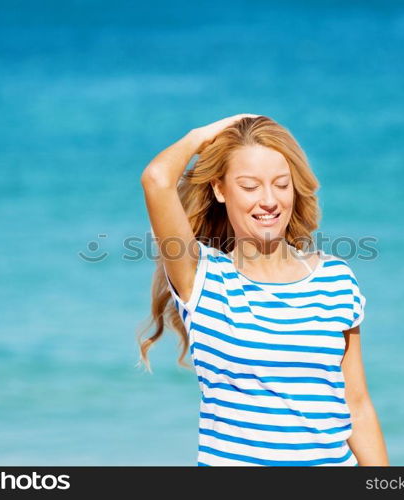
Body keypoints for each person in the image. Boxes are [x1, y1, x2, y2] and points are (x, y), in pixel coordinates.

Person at [138, 114, 389, 466]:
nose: (269, 200)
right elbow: (156, 179)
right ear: (220, 189)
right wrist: (203, 135)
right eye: (250, 185)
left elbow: (358, 406)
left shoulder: (336, 280)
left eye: (281, 184)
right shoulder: (203, 279)